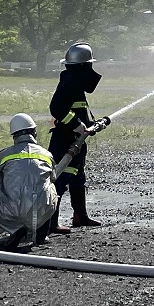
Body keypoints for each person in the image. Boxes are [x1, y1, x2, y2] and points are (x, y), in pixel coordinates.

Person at [0, 113, 58, 250]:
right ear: (34, 132)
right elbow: (53, 178)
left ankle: (14, 229)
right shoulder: (47, 154)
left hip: (12, 213)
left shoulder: (4, 155)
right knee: (50, 190)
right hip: (42, 210)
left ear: (14, 136)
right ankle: (41, 234)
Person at [48, 42, 103, 232]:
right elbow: (56, 108)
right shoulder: (70, 81)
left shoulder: (75, 81)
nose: (91, 70)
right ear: (82, 66)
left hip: (75, 140)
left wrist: (87, 125)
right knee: (60, 178)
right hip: (65, 141)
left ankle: (80, 216)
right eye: (89, 65)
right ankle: (51, 222)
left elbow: (75, 109)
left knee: (78, 178)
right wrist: (76, 125)